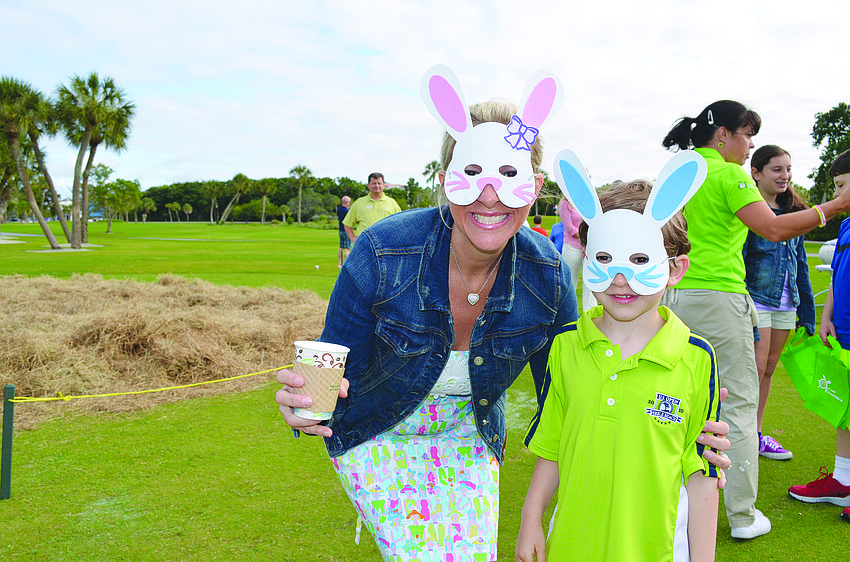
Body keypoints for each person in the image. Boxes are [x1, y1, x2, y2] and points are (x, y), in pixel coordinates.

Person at [275, 66, 730, 561]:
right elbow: (330, 360)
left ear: (534, 187)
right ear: (447, 182)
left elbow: (567, 381)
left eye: (508, 176)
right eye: (471, 175)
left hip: (469, 433)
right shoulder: (382, 252)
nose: (489, 196)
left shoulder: (548, 275)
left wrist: (684, 416)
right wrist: (304, 405)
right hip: (378, 428)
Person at [661, 100, 850, 539]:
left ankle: (674, 499)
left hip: (673, 296)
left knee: (675, 398)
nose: (750, 146)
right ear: (723, 135)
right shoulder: (728, 176)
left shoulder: (679, 172)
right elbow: (774, 228)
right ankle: (742, 515)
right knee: (740, 405)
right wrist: (836, 205)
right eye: (746, 135)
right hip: (719, 300)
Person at [517, 155, 720, 561]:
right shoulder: (565, 347)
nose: (621, 279)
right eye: (605, 259)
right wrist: (530, 520)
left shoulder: (697, 358)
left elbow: (702, 473)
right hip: (570, 545)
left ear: (675, 269)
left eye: (641, 260)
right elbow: (552, 446)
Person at [788, 148, 850, 523]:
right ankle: (842, 480)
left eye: (843, 186)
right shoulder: (844, 227)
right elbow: (837, 276)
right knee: (844, 409)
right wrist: (825, 316)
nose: (839, 195)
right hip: (842, 331)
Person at [743, 145, 815, 461]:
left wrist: (808, 312)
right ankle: (741, 434)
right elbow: (741, 259)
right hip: (757, 300)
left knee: (769, 368)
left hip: (787, 304)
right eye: (776, 169)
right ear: (756, 173)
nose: (784, 175)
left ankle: (756, 434)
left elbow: (801, 265)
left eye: (788, 169)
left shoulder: (794, 214)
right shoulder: (749, 212)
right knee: (754, 368)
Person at [342, 172, 401, 244]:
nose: (377, 186)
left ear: (383, 185)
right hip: (364, 245)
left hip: (386, 245)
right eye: (374, 183)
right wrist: (352, 237)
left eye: (379, 183)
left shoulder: (392, 203)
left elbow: (400, 224)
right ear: (368, 185)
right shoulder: (359, 203)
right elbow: (347, 223)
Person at [336, 195, 352, 268]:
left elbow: (343, 210)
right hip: (346, 230)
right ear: (346, 202)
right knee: (347, 248)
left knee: (341, 247)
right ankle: (346, 264)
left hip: (340, 230)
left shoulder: (339, 209)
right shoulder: (347, 211)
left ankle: (339, 264)